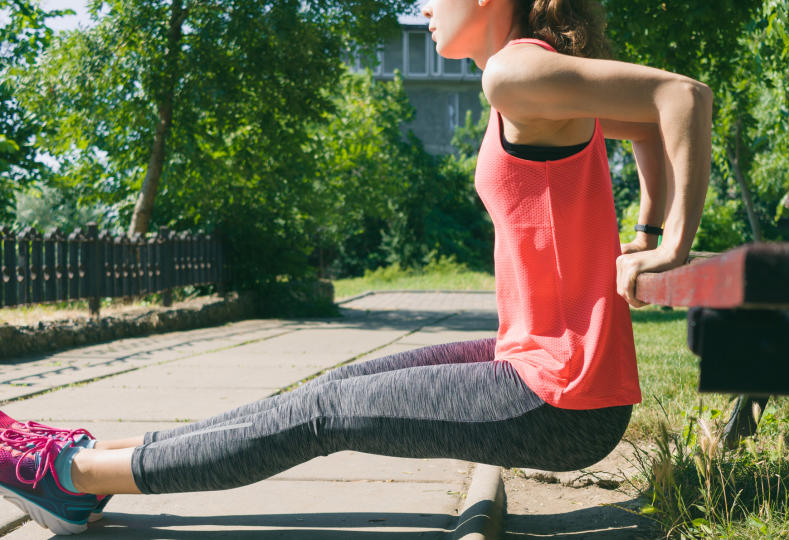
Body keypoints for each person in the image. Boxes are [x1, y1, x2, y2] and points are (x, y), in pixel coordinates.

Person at [0, 0, 712, 534]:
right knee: (330, 389)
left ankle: (70, 478)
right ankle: (99, 455)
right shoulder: (529, 77)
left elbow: (681, 98)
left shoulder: (515, 71)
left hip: (561, 400)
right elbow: (649, 120)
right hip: (539, 368)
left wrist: (669, 238)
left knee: (323, 412)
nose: (425, 6)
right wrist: (644, 229)